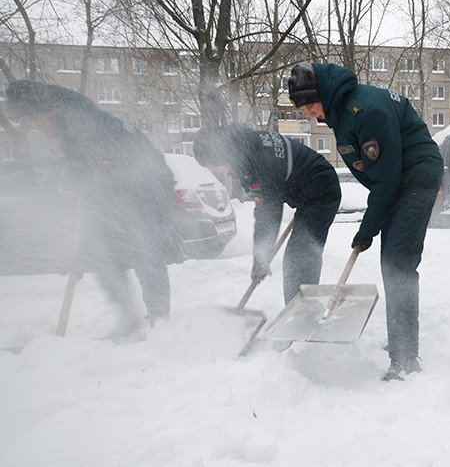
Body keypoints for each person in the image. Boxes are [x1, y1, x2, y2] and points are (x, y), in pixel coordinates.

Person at [285, 62, 444, 381]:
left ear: (321, 95)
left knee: (398, 261)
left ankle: (405, 357)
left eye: (308, 106)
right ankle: (401, 342)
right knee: (393, 259)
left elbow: (385, 179)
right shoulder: (342, 111)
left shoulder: (365, 111)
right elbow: (380, 176)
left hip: (416, 176)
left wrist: (367, 229)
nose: (309, 115)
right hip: (399, 178)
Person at [6, 79, 182, 340]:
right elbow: (90, 186)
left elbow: (106, 181)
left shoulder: (84, 125)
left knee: (146, 251)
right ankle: (130, 319)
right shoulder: (69, 124)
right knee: (103, 254)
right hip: (123, 190)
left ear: (45, 111)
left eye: (33, 120)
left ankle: (160, 322)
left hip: (150, 190)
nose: (35, 128)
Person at [193, 123, 341, 306]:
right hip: (304, 193)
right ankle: (298, 309)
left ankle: (301, 314)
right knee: (299, 255)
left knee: (300, 255)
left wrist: (260, 259)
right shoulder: (245, 147)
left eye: (214, 166)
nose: (214, 171)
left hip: (321, 193)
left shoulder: (257, 163)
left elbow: (268, 214)